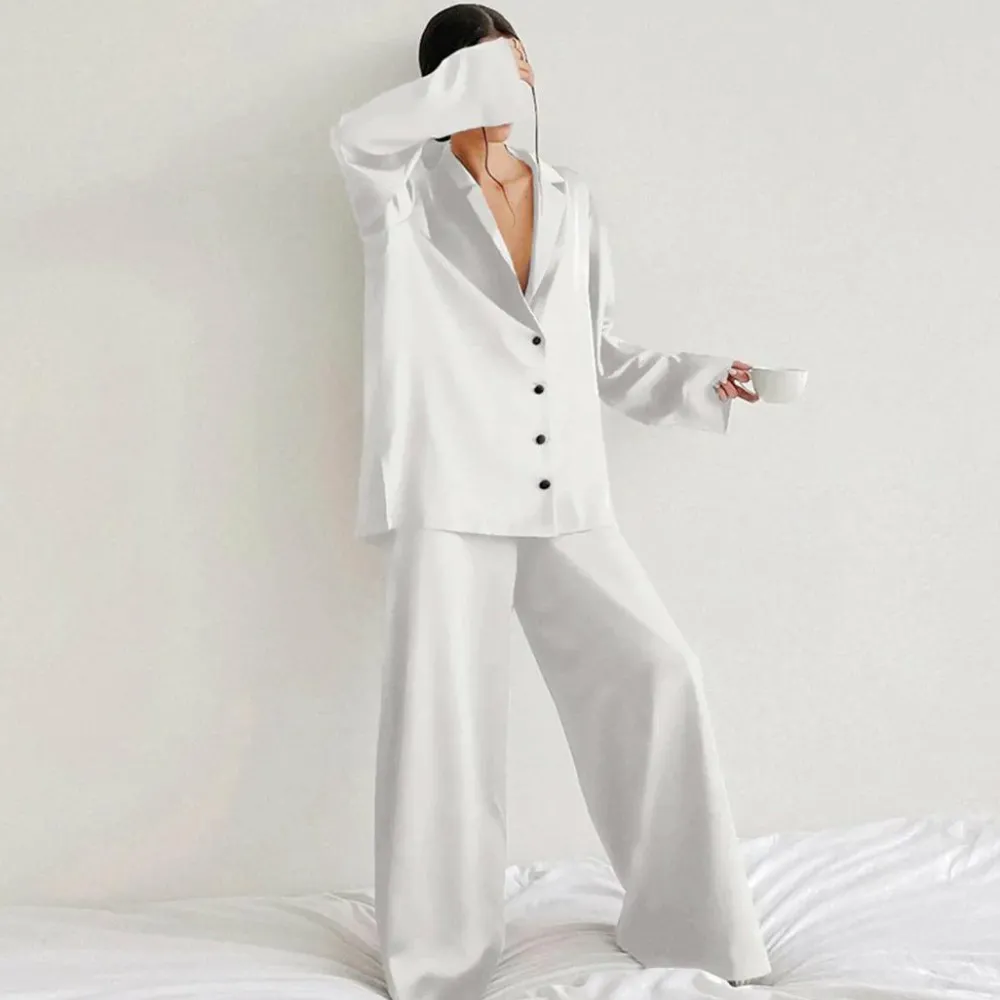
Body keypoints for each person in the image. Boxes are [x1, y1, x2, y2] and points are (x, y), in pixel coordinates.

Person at [329, 5, 767, 999]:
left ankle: (689, 927)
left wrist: (702, 380)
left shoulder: (571, 196)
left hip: (561, 486)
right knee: (444, 726)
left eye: (521, 60)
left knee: (660, 671)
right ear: (448, 83)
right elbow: (353, 134)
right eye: (495, 65)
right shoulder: (399, 190)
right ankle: (440, 963)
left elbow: (597, 351)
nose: (519, 79)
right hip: (447, 491)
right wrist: (466, 86)